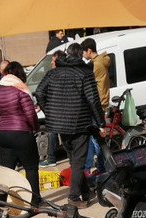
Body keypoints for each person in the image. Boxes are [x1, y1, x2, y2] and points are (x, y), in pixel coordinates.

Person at [34, 42, 104, 204]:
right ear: (80, 55)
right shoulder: (85, 73)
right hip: (79, 122)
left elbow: (39, 92)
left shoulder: (54, 73)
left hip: (59, 123)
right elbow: (93, 99)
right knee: (78, 161)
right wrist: (101, 123)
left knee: (74, 159)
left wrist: (50, 112)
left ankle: (85, 191)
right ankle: (73, 197)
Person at [0, 62, 42, 206]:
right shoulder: (21, 90)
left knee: (7, 169)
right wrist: (34, 128)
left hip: (2, 133)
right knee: (31, 167)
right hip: (21, 132)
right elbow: (30, 114)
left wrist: (1, 126)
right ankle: (34, 201)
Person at [81, 38, 111, 176]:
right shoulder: (101, 61)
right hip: (101, 102)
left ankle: (101, 168)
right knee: (95, 140)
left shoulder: (96, 65)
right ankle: (96, 167)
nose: (83, 55)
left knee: (97, 140)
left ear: (89, 50)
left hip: (96, 104)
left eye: (83, 52)